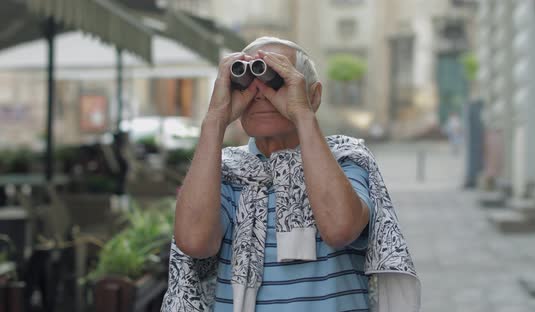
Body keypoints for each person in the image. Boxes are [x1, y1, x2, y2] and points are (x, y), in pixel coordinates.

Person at [162, 37, 420, 312]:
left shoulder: (345, 158)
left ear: (315, 95)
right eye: (248, 83)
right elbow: (193, 242)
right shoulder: (225, 170)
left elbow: (340, 228)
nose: (260, 93)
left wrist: (302, 113)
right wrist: (215, 119)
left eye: (278, 79)